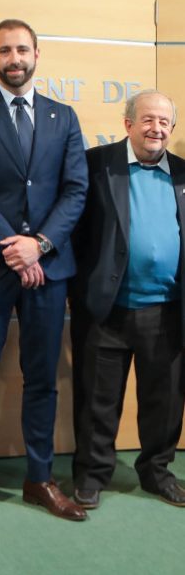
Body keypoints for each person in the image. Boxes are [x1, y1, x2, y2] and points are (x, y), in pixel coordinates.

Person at [0, 19, 89, 528]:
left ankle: (40, 478)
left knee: (43, 379)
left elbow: (76, 191)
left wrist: (40, 245)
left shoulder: (63, 116)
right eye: (4, 50)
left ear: (37, 54)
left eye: (22, 49)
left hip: (48, 267)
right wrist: (14, 246)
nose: (14, 57)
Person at [70, 89, 185, 509]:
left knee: (165, 400)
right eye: (148, 119)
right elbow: (74, 231)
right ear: (128, 124)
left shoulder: (183, 174)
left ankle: (157, 472)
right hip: (106, 308)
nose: (156, 128)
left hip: (168, 309)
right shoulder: (96, 164)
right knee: (98, 399)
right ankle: (92, 474)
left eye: (165, 122)